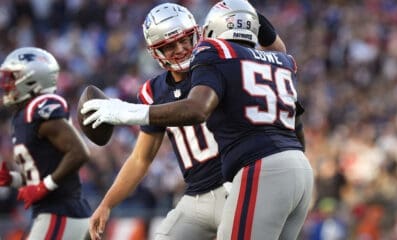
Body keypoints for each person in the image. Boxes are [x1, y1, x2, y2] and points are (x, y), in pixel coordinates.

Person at [87, 2, 286, 240]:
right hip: (195, 197)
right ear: (155, 52)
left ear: (197, 35)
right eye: (169, 45)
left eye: (185, 39)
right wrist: (107, 203)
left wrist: (248, 13)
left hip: (236, 186)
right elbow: (141, 158)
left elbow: (277, 56)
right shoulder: (153, 91)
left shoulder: (218, 64)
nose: (180, 48)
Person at [0, 47, 91, 239]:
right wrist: (13, 179)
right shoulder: (21, 117)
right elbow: (42, 173)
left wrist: (44, 187)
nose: (7, 84)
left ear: (32, 79)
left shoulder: (39, 109)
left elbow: (79, 152)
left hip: (62, 212)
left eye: (12, 77)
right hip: (55, 213)